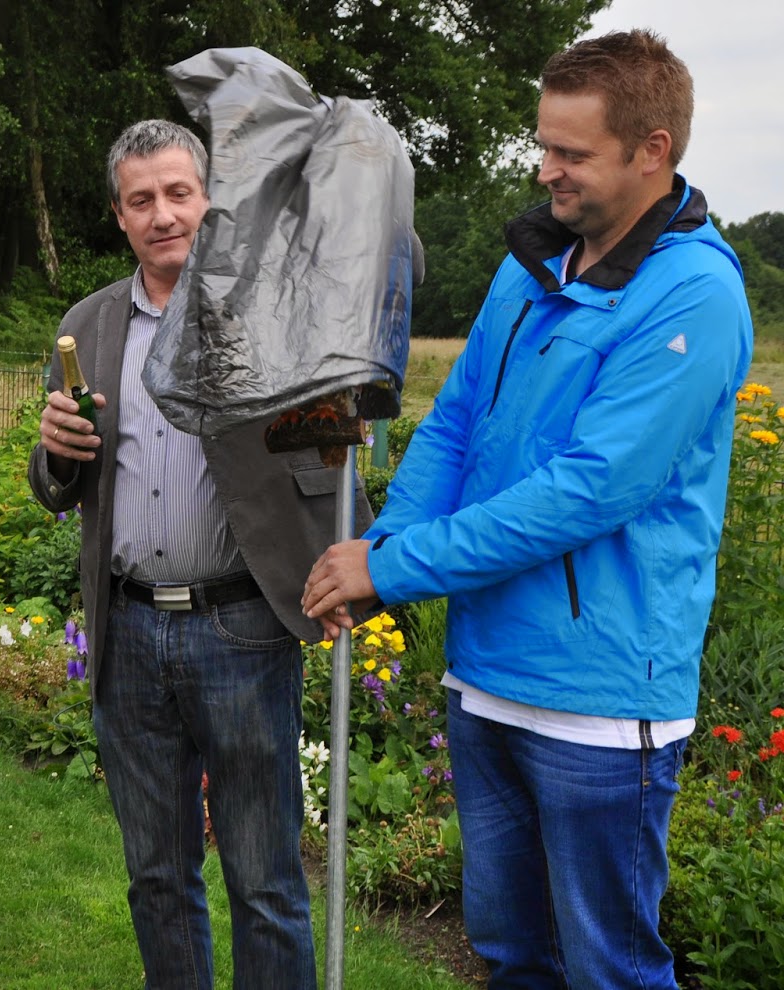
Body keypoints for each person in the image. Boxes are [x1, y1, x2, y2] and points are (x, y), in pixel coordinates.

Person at [302, 30, 752, 989]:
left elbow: (586, 493)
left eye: (572, 153)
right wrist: (387, 543)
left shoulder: (695, 296)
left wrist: (394, 569)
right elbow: (457, 420)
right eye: (545, 144)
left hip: (600, 704)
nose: (547, 170)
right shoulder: (532, 262)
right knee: (511, 958)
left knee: (609, 970)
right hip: (486, 677)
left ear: (653, 150)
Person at [28, 119, 373, 990]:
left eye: (179, 193)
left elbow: (330, 460)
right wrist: (55, 452)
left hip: (241, 626)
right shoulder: (87, 325)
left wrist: (351, 555)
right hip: (129, 630)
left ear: (209, 202)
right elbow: (57, 483)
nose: (163, 214)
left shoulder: (271, 311)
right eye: (141, 200)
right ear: (119, 216)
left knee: (265, 881)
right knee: (156, 877)